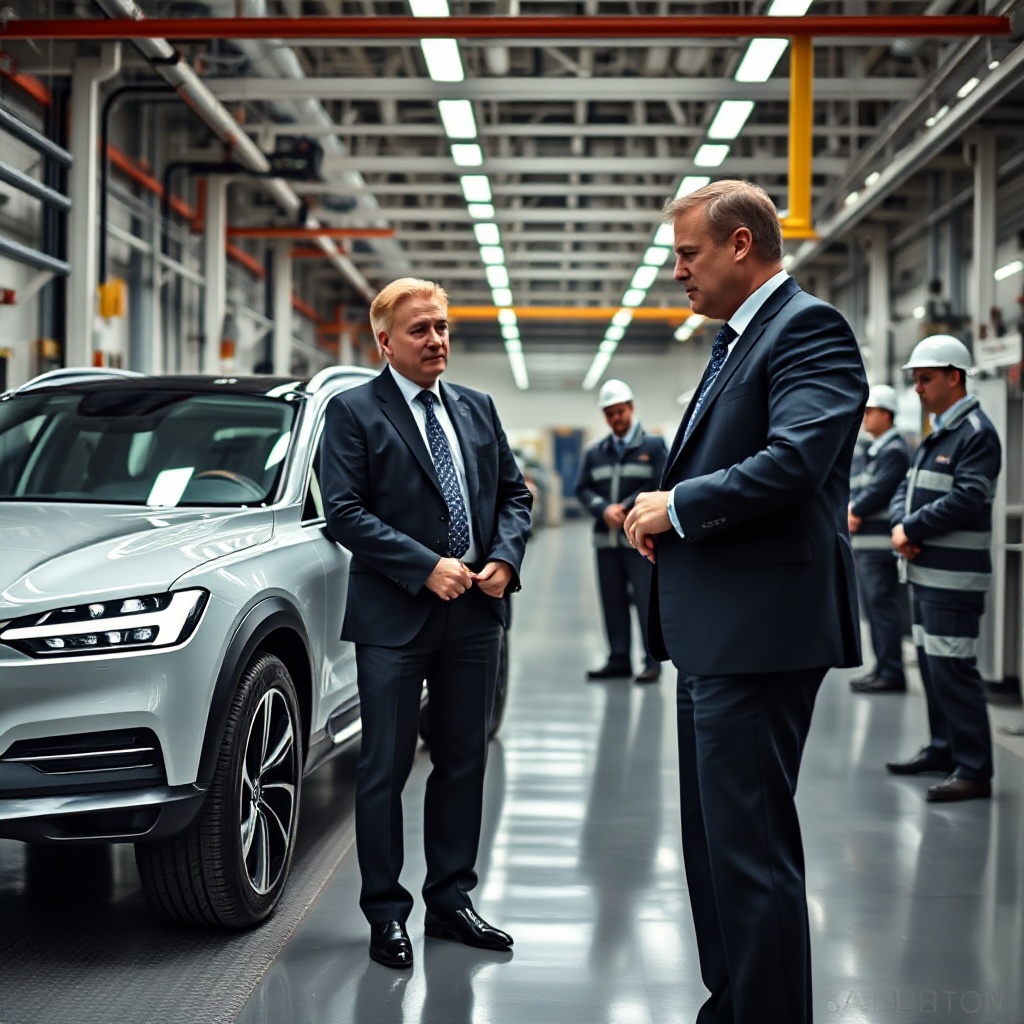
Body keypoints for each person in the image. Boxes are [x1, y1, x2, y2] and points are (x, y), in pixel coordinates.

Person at [623, 179, 867, 1024]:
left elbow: (797, 459)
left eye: (687, 254)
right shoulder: (736, 342)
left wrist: (676, 505)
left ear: (738, 245)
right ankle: (731, 1006)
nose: (678, 272)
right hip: (718, 636)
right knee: (717, 849)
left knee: (751, 852)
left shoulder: (807, 330)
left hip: (762, 637)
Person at [321, 277, 532, 968]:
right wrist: (423, 565)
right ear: (385, 342)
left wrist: (501, 557)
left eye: (442, 327)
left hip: (475, 611)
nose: (437, 339)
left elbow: (512, 493)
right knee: (384, 766)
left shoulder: (477, 407)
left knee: (464, 759)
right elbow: (346, 511)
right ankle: (386, 912)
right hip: (395, 615)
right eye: (420, 330)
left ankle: (451, 900)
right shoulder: (354, 412)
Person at [885, 334, 1001, 802]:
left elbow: (968, 497)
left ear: (955, 377)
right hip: (926, 571)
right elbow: (905, 489)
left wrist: (909, 530)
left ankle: (974, 768)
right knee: (933, 669)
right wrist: (902, 526)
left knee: (954, 669)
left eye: (926, 379)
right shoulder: (938, 434)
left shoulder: (976, 434)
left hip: (954, 578)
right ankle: (942, 747)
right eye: (915, 380)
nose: (918, 389)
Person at [576, 379, 668, 683]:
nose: (616, 418)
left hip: (640, 541)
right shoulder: (594, 452)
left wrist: (626, 506)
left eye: (620, 411)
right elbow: (582, 488)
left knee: (645, 601)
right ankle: (618, 659)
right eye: (610, 413)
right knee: (611, 602)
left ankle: (652, 661)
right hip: (606, 541)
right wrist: (603, 508)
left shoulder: (653, 446)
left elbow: (660, 481)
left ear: (630, 408)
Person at [848, 384, 911, 694]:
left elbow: (879, 490)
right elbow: (861, 488)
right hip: (866, 546)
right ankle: (882, 667)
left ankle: (892, 671)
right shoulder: (871, 451)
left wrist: (854, 510)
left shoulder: (895, 451)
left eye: (870, 412)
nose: (865, 417)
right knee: (874, 610)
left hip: (879, 547)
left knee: (882, 608)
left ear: (886, 415)